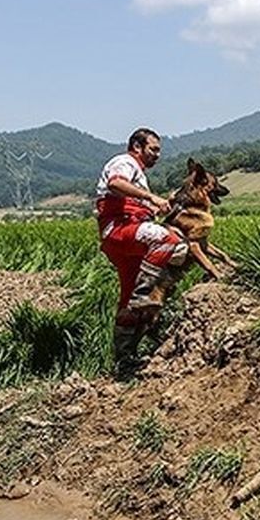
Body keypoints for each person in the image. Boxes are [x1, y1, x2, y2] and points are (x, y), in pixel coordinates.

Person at [95, 128, 188, 376]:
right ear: (137, 147)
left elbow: (139, 206)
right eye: (153, 149)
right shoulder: (125, 162)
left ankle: (124, 358)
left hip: (126, 237)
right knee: (171, 241)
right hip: (120, 229)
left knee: (127, 300)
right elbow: (115, 183)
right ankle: (147, 293)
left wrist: (160, 205)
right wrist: (151, 197)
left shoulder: (138, 176)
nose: (157, 155)